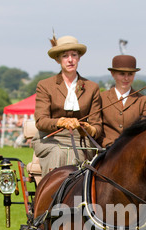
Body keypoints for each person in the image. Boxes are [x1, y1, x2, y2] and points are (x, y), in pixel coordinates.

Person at [32, 34, 102, 177]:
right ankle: (53, 197)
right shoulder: (45, 85)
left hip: (80, 141)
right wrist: (61, 122)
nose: (70, 60)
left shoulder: (92, 87)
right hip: (50, 139)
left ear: (79, 58)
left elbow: (97, 127)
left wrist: (87, 128)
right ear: (58, 59)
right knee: (60, 152)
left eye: (74, 55)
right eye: (65, 56)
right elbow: (40, 121)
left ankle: (78, 197)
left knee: (76, 157)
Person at [100, 55, 146, 148]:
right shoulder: (101, 98)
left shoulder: (144, 101)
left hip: (132, 152)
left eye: (130, 74)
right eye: (122, 74)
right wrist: (107, 144)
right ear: (113, 74)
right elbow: (97, 127)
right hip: (105, 152)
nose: (126, 78)